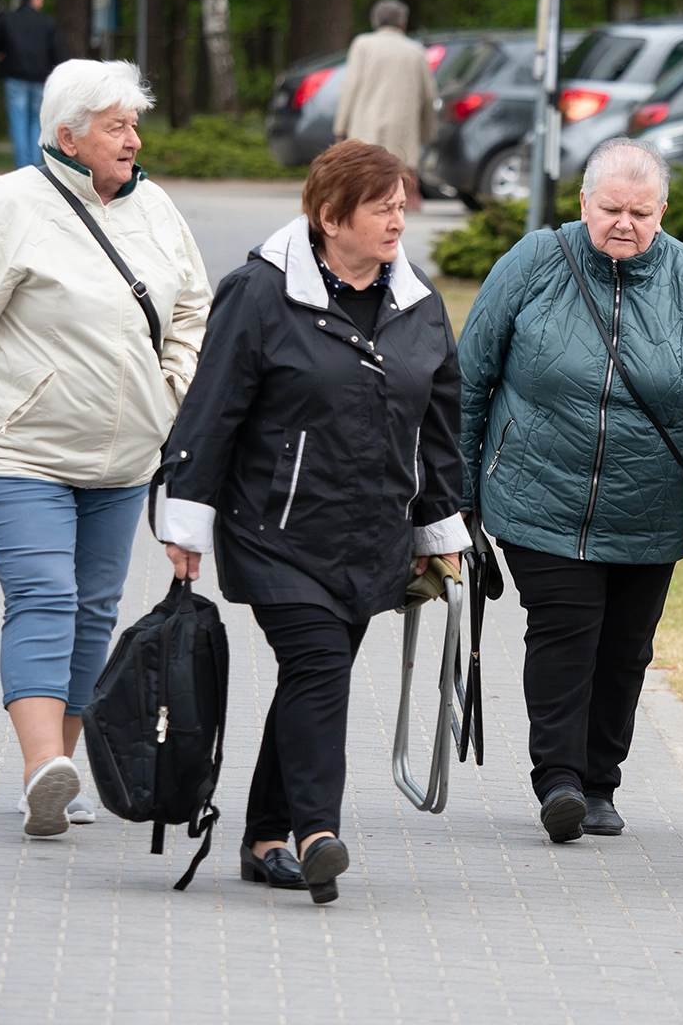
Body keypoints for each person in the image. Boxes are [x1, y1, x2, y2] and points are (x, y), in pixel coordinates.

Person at [0, 59, 212, 839]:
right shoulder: (12, 205)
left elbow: (194, 315)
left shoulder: (159, 211)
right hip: (20, 453)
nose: (134, 139)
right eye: (117, 126)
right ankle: (43, 765)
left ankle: (59, 776)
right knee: (46, 595)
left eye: (135, 124)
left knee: (93, 612)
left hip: (124, 462)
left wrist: (170, 394)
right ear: (68, 134)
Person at [156, 139, 467, 905]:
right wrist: (183, 520)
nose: (400, 219)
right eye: (382, 207)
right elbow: (213, 406)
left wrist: (443, 534)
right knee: (320, 665)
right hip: (274, 529)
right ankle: (316, 833)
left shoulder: (418, 303)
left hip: (372, 539)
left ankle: (264, 838)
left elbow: (440, 428)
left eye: (403, 204)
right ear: (331, 217)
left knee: (308, 680)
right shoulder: (260, 293)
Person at [459, 137, 683, 843]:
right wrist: (458, 490)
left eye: (641, 211)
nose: (624, 223)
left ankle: (601, 782)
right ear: (583, 204)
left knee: (626, 649)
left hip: (650, 505)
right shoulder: (536, 261)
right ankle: (560, 782)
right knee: (566, 633)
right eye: (610, 209)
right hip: (537, 496)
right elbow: (470, 375)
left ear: (662, 211)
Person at [332, 0, 437, 172]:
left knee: (365, 182)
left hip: (365, 130)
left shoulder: (362, 45)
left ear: (375, 21)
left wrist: (340, 128)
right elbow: (429, 96)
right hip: (402, 135)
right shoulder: (416, 51)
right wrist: (427, 134)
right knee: (398, 184)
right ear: (403, 23)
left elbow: (350, 88)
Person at [0, 0, 67, 170]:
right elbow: (58, 54)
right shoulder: (47, 24)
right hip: (40, 79)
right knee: (36, 122)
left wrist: (0, 49)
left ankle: (22, 167)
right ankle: (35, 165)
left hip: (15, 76)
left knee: (18, 121)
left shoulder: (8, 19)